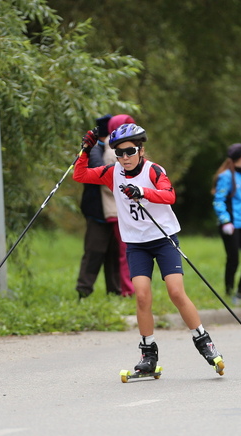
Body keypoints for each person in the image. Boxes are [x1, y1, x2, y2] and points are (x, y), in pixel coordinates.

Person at [73, 123, 225, 375]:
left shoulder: (154, 170)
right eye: (119, 153)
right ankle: (148, 354)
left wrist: (142, 191)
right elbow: (80, 176)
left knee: (176, 292)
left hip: (163, 238)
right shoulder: (113, 172)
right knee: (142, 296)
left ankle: (204, 342)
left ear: (141, 150)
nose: (125, 158)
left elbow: (169, 196)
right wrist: (85, 152)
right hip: (136, 244)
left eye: (130, 151)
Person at [75, 114, 121, 298]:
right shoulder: (93, 149)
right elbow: (99, 171)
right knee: (94, 252)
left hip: (114, 212)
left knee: (115, 253)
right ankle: (83, 291)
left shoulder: (112, 149)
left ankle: (115, 292)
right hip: (97, 211)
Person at [212, 143, 241, 310]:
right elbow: (219, 200)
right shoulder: (226, 176)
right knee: (233, 260)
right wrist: (225, 221)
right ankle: (229, 293)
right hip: (230, 225)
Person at [101, 114, 136, 297]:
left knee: (130, 250)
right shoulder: (111, 152)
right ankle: (128, 290)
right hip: (117, 209)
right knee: (126, 252)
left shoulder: (125, 149)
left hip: (129, 209)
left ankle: (132, 288)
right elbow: (109, 183)